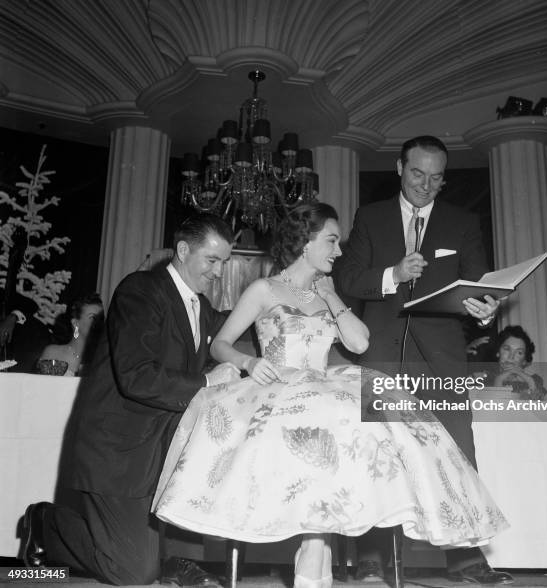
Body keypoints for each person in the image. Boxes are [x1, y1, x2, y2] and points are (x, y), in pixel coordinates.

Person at [153, 203, 508, 588]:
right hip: (276, 386)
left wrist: (333, 298)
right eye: (331, 241)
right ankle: (314, 553)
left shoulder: (328, 292)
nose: (339, 252)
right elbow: (220, 344)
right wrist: (248, 362)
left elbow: (359, 342)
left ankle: (317, 549)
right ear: (306, 243)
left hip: (323, 385)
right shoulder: (264, 289)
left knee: (385, 415)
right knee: (327, 427)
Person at [20, 213, 241, 586]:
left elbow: (235, 328)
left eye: (224, 262)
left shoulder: (200, 309)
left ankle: (169, 559)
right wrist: (206, 380)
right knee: (133, 573)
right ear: (183, 251)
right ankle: (46, 524)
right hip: (118, 452)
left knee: (149, 559)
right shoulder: (140, 290)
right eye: (212, 260)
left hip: (157, 454)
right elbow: (137, 376)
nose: (219, 272)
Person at [336, 136, 513, 584]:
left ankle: (467, 559)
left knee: (456, 453)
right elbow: (348, 278)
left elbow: (479, 284)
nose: (425, 185)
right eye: (417, 174)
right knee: (378, 452)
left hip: (443, 358)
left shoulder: (462, 221)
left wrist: (486, 307)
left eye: (436, 178)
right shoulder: (371, 217)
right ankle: (373, 556)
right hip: (380, 354)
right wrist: (392, 275)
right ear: (399, 168)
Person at [36, 293, 104, 376]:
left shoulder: (103, 358)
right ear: (75, 323)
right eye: (93, 317)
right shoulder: (53, 353)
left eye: (101, 318)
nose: (98, 323)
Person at [487, 325, 547, 400]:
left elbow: (536, 404)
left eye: (519, 353)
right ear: (498, 352)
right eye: (507, 349)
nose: (511, 357)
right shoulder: (487, 378)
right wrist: (500, 378)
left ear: (524, 360)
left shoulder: (535, 380)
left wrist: (526, 378)